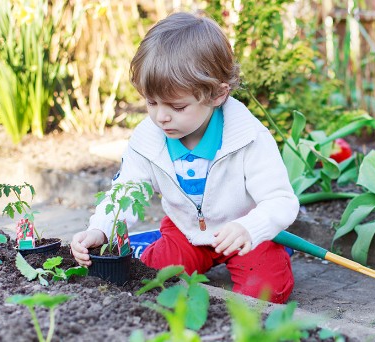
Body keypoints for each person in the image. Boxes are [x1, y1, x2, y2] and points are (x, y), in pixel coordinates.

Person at [70, 11, 299, 304]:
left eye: (177, 107)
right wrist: (99, 229)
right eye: (151, 102)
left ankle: (274, 253)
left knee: (266, 291)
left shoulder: (247, 137)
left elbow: (281, 201)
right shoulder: (148, 140)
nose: (161, 116)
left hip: (242, 235)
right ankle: (156, 248)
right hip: (186, 232)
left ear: (217, 95)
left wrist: (251, 227)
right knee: (147, 277)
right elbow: (125, 191)